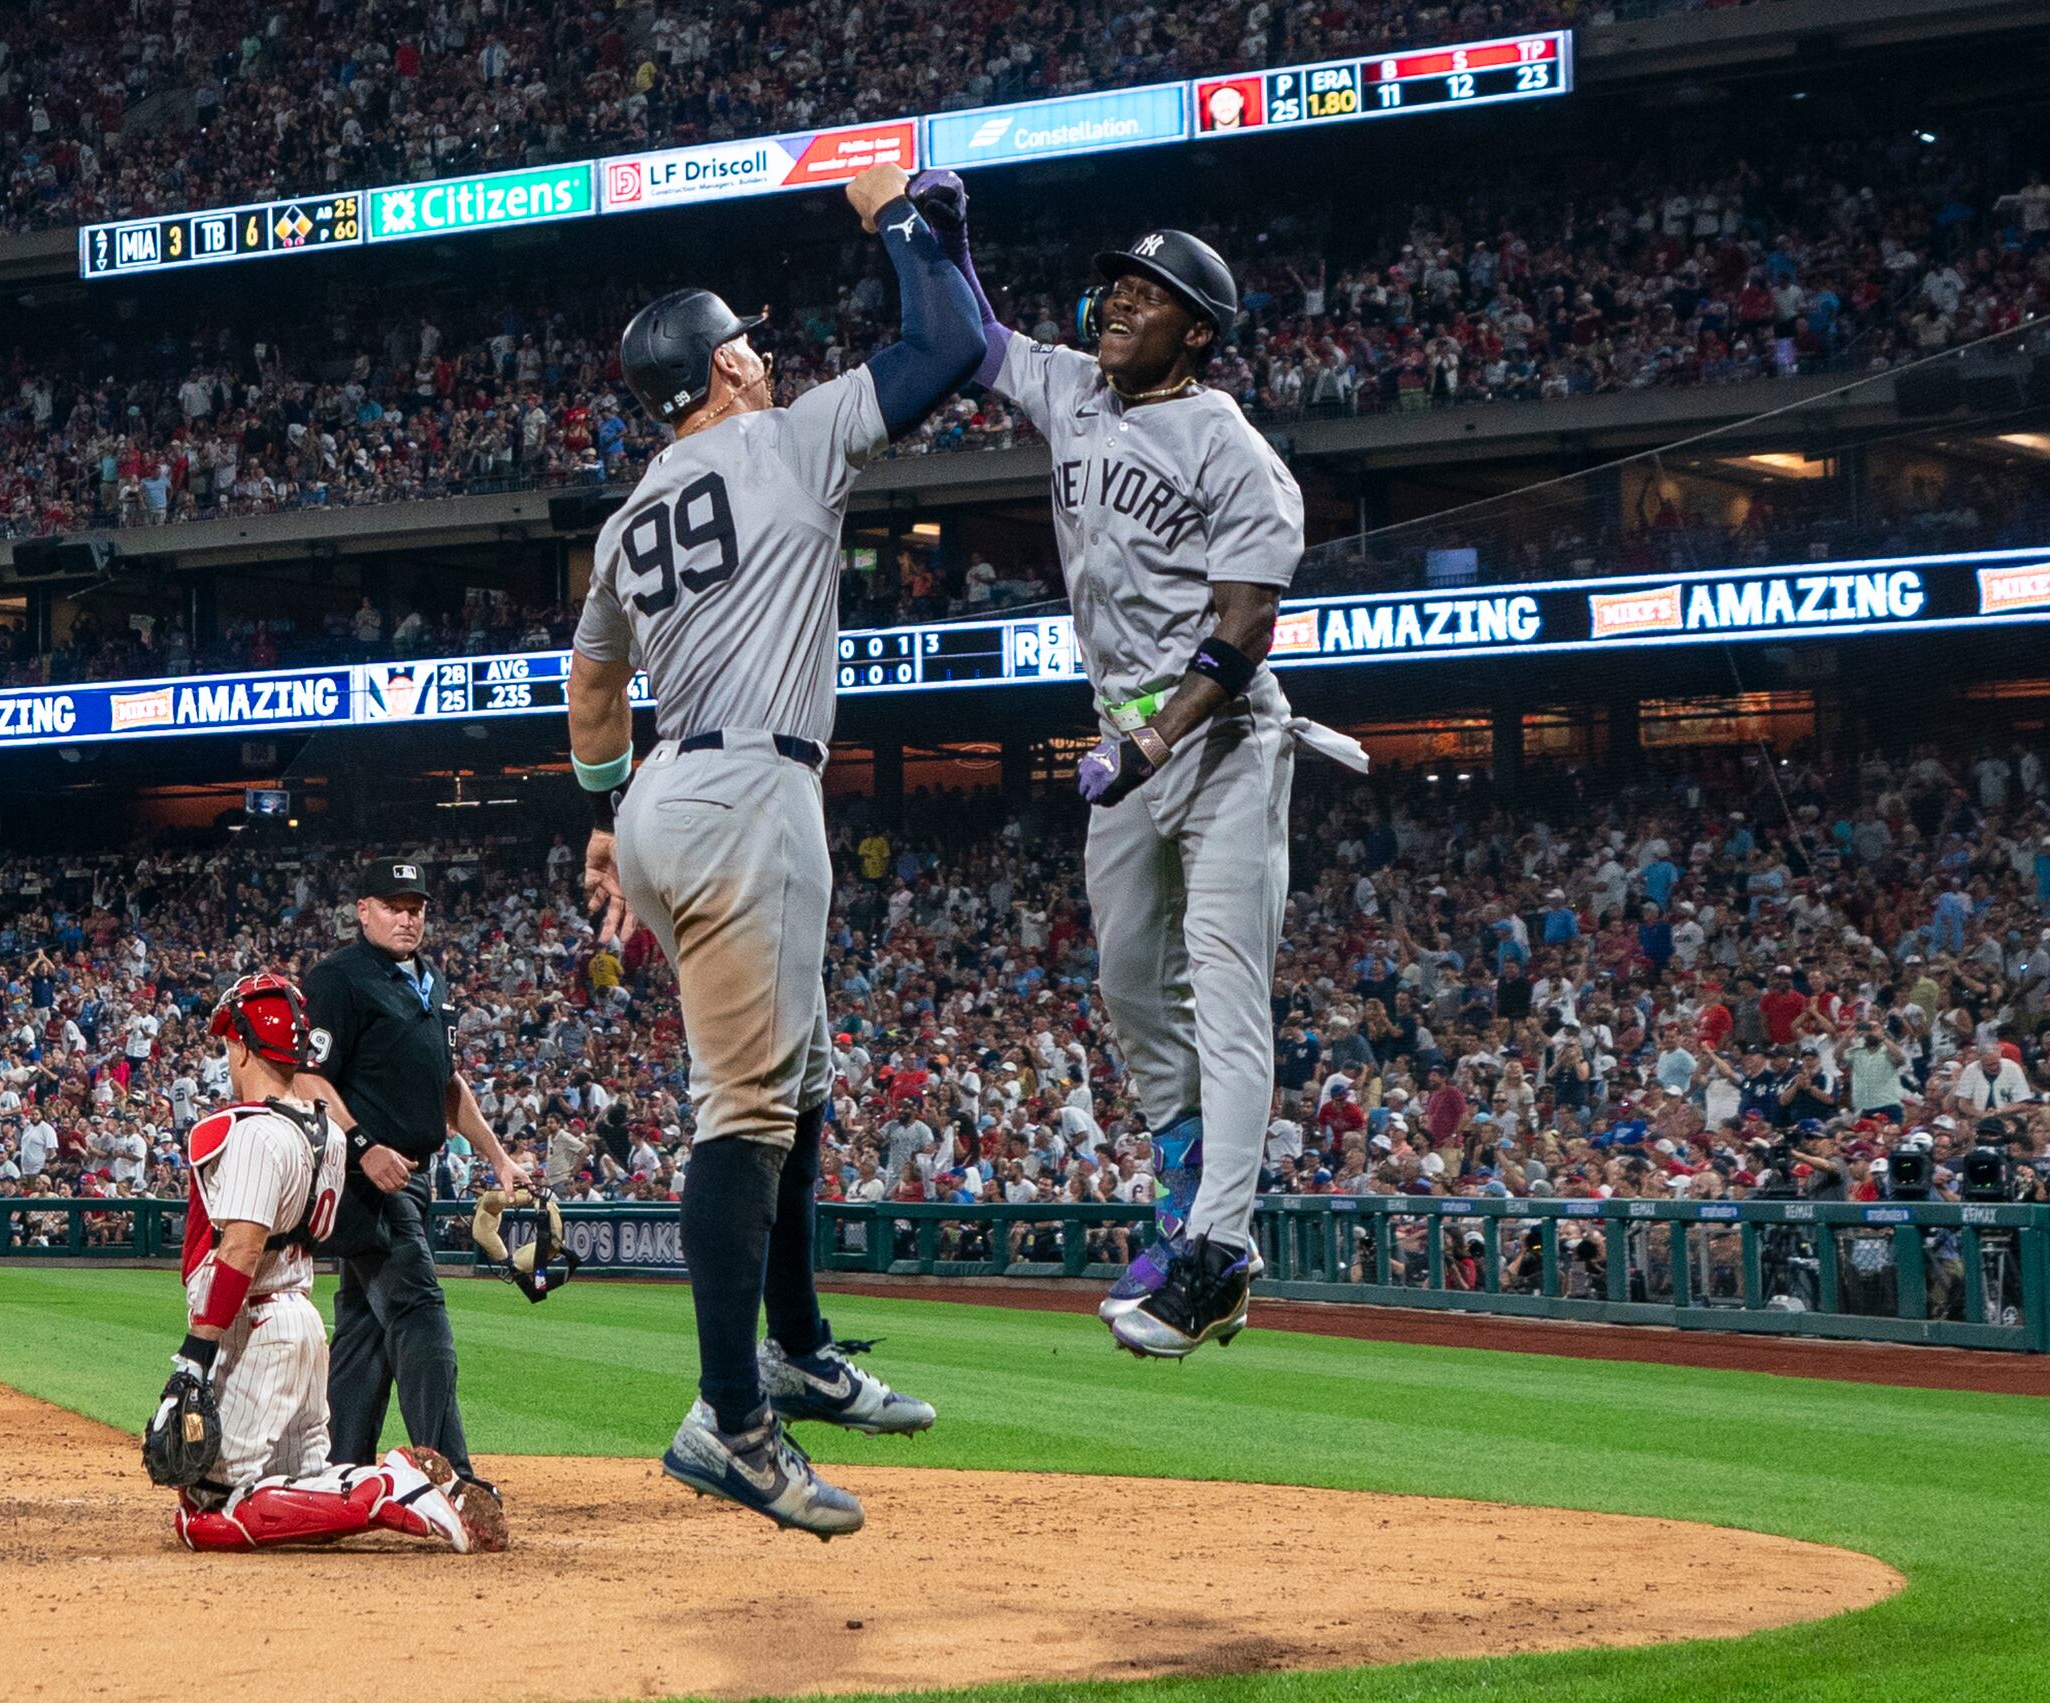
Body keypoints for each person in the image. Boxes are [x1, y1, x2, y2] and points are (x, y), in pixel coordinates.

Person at [568, 162, 973, 1536]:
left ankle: (793, 1343)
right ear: (724, 362)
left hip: (671, 790)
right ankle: (728, 1417)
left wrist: (609, 816)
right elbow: (949, 348)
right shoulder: (791, 437)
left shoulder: (628, 520)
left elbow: (592, 689)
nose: (767, 346)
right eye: (748, 336)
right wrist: (903, 221)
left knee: (792, 1083)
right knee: (743, 1111)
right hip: (750, 789)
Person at [918, 167, 1366, 1359]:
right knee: (1126, 981)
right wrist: (952, 238)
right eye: (1116, 281)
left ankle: (1219, 1248)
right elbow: (970, 337)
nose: (1118, 300)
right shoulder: (1073, 390)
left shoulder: (1231, 446)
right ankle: (1181, 1182)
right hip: (1124, 738)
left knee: (1223, 985)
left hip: (1219, 738)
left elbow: (1244, 621)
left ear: (1197, 332)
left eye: (1148, 292)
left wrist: (1157, 739)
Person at [154, 971, 494, 1554]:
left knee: (207, 1512)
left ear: (240, 1046)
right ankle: (389, 1486)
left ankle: (390, 1486)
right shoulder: (326, 1133)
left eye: (227, 1044)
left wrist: (195, 1356)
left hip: (260, 1330)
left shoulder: (255, 1133)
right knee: (305, 1480)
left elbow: (240, 1250)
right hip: (303, 1321)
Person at [293, 860, 523, 1510]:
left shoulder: (433, 981)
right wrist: (362, 1147)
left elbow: (447, 1086)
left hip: (415, 1177)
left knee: (366, 1328)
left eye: (415, 904)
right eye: (393, 904)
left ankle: (338, 1473)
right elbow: (308, 1078)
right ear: (362, 909)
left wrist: (498, 1157)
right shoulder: (338, 978)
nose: (407, 915)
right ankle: (452, 1480)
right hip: (364, 1181)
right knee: (420, 1311)